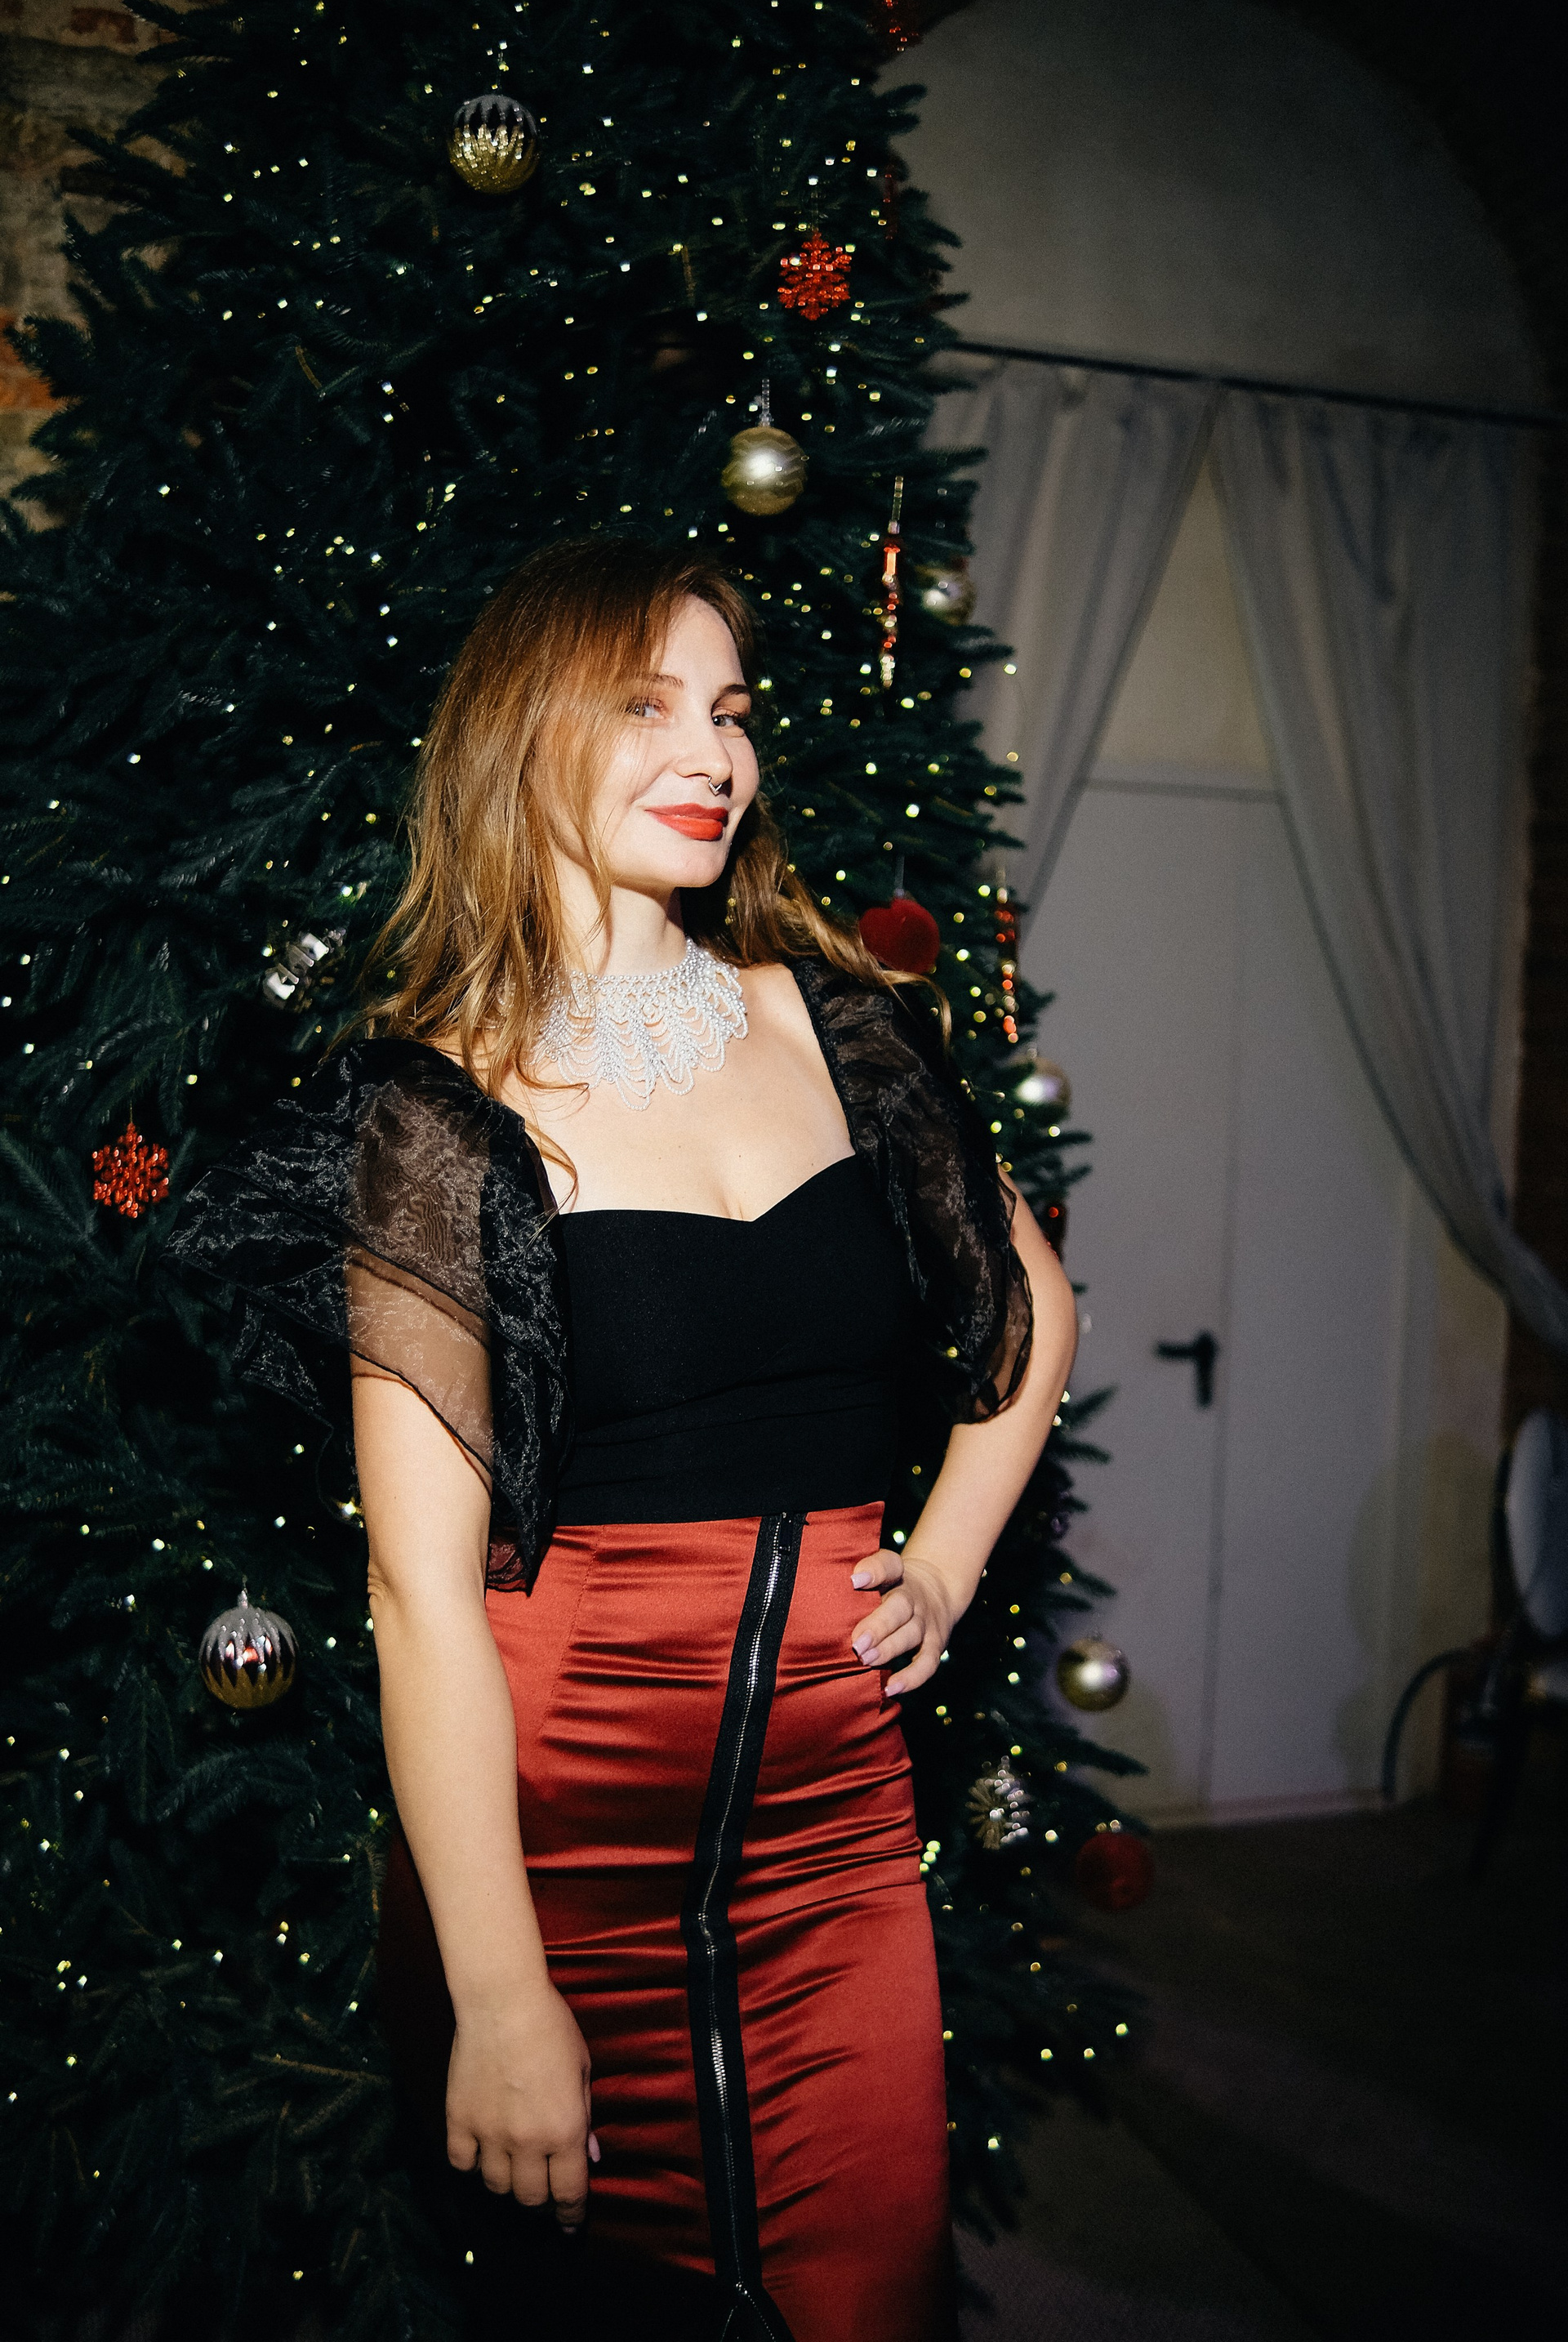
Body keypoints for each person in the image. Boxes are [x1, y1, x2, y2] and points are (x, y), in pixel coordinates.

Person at [169, 538, 1076, 2342]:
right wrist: (503, 1995)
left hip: (838, 1832)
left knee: (873, 2290)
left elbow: (1030, 1309)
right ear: (526, 734)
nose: (714, 754)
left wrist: (954, 1560)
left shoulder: (834, 1023)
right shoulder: (438, 1106)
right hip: (552, 1838)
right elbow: (421, 1593)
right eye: (648, 705)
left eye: (730, 712)